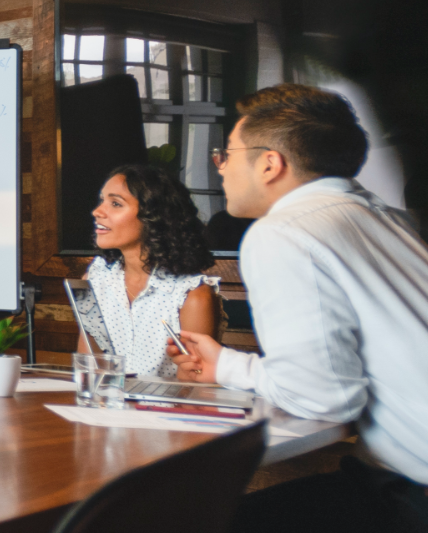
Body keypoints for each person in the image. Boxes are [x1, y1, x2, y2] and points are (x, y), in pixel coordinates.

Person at [167, 84, 428, 532]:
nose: (221, 168)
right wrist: (227, 365)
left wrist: (231, 368)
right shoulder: (387, 218)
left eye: (225, 153)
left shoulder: (285, 233)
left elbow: (323, 398)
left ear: (269, 163)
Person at [79, 164, 218, 377]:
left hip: (163, 409)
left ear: (153, 216)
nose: (97, 211)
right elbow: (89, 369)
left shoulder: (192, 295)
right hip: (105, 406)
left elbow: (191, 388)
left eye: (115, 203)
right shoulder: (96, 279)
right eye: (102, 200)